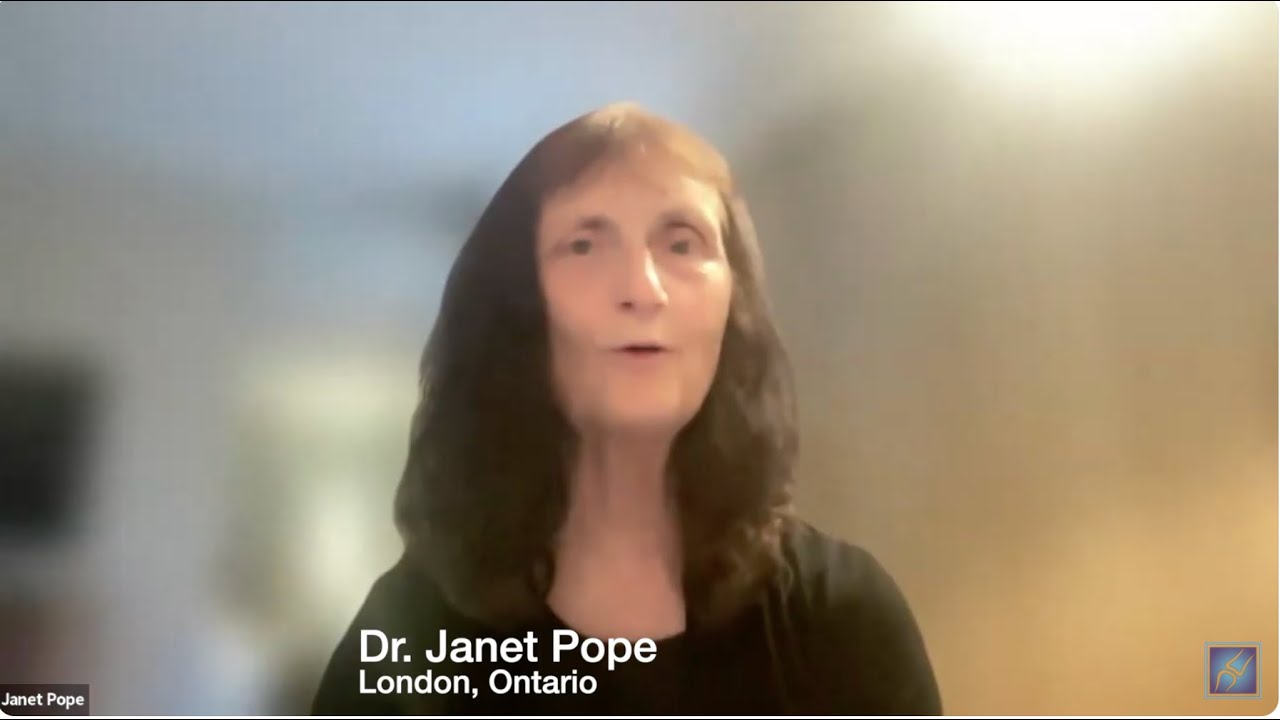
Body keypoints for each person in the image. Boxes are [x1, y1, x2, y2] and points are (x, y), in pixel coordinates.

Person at [310, 102, 942, 716]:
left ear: (735, 303)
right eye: (584, 245)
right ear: (514, 309)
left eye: (682, 243)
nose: (642, 288)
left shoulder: (843, 619)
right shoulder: (408, 644)